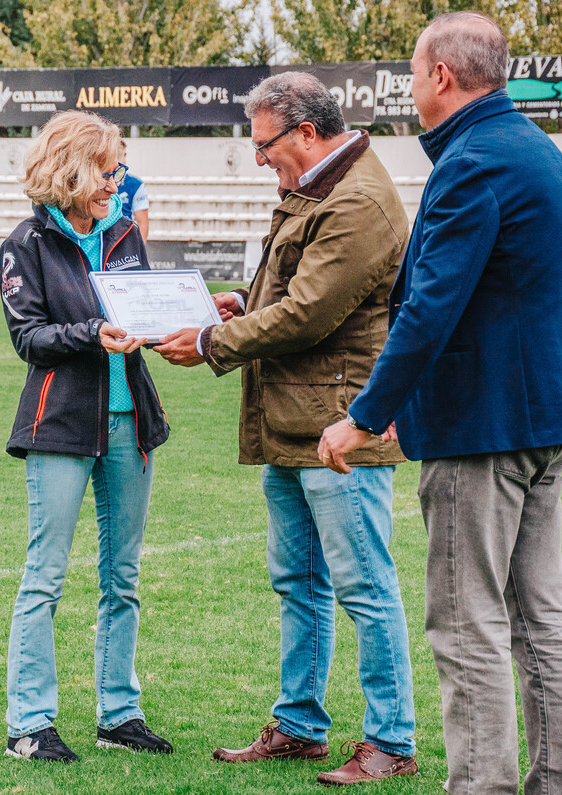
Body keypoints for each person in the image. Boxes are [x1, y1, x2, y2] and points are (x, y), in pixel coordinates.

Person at [318, 12, 562, 794]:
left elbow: (431, 305)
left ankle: (480, 784)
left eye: (412, 73)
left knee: (467, 619)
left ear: (441, 75)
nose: (410, 88)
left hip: (485, 427)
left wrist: (366, 412)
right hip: (541, 418)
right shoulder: (538, 150)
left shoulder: (475, 160)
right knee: (539, 616)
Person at [154, 72, 417, 786]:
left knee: (364, 585)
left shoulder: (357, 198)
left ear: (305, 131)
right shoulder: (324, 185)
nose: (261, 158)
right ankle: (300, 724)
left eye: (265, 144)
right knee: (298, 581)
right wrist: (239, 300)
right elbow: (292, 290)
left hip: (340, 425)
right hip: (296, 418)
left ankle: (391, 739)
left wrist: (212, 341)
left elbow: (310, 313)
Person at [0, 110, 171, 763]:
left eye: (117, 169)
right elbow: (30, 338)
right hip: (61, 423)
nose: (115, 181)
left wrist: (170, 324)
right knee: (44, 576)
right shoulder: (24, 244)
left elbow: (145, 310)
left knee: (122, 576)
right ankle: (30, 722)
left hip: (132, 423)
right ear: (71, 167)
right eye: (106, 169)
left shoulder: (125, 233)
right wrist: (91, 333)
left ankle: (118, 713)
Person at [116, 140, 149, 240]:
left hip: (123, 239)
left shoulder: (135, 184)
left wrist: (139, 252)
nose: (125, 159)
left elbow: (142, 224)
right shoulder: (96, 180)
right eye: (124, 155)